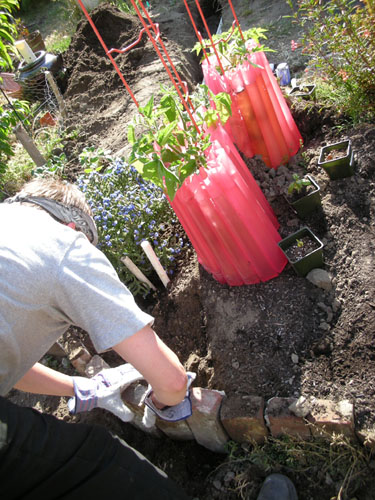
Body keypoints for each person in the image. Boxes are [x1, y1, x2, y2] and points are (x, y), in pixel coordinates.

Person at [0, 177, 191, 499]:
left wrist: (79, 387)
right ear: (75, 227)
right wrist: (162, 402)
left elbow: (9, 363)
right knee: (104, 465)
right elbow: (173, 384)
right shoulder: (62, 246)